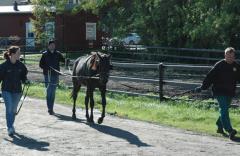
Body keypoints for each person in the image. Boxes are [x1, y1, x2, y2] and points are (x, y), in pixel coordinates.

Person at [195, 47, 240, 140]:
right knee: (224, 110)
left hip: (230, 92)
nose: (230, 58)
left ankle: (219, 126)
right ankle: (230, 130)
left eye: (232, 56)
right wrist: (203, 87)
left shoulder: (236, 66)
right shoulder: (219, 65)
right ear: (225, 55)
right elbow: (209, 77)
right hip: (219, 91)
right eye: (228, 56)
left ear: (234, 56)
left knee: (224, 110)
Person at [0, 46, 29, 136]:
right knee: (9, 108)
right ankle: (10, 128)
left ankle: (11, 125)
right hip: (6, 90)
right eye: (18, 53)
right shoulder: (3, 66)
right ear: (12, 54)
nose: (20, 54)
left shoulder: (21, 65)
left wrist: (26, 81)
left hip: (17, 91)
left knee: (13, 109)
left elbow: (23, 76)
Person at [39, 40, 65, 115]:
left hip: (55, 75)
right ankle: (49, 108)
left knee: (53, 92)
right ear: (48, 46)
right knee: (49, 91)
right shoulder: (45, 54)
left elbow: (63, 61)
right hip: (47, 75)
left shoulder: (58, 54)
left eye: (54, 45)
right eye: (51, 45)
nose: (53, 46)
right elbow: (40, 65)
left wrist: (67, 60)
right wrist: (47, 68)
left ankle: (51, 108)